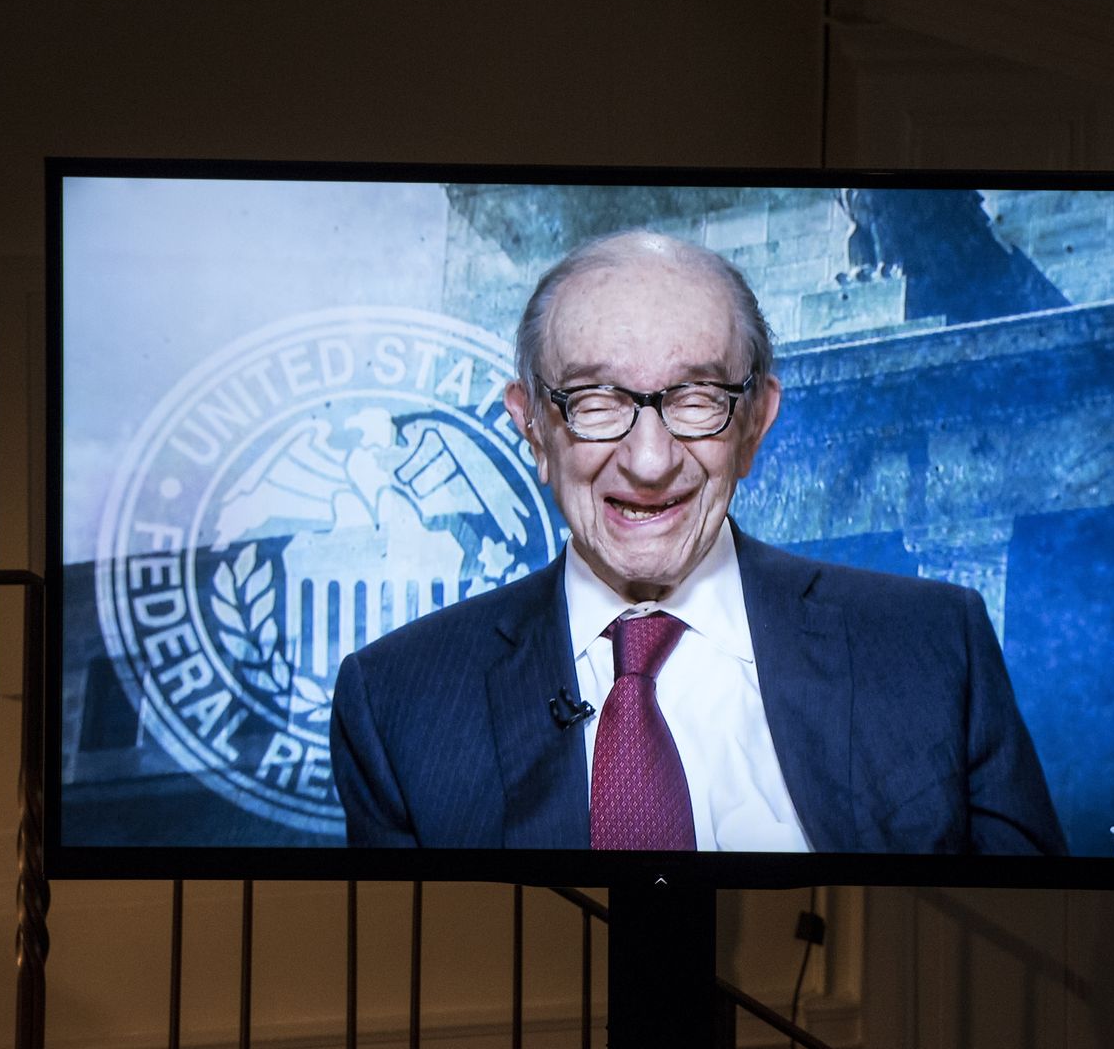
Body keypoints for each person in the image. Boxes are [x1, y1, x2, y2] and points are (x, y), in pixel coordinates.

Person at [330, 230, 1066, 854]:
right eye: (596, 400)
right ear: (533, 429)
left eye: (696, 400)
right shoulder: (398, 703)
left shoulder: (933, 646)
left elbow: (1029, 946)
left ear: (755, 423)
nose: (650, 462)